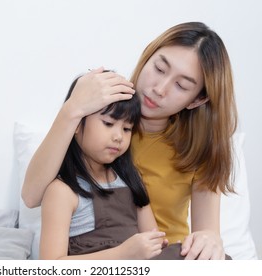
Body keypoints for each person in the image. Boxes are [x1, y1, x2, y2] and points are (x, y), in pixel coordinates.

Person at [22, 22, 238, 260]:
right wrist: (72, 110)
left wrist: (211, 239)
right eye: (159, 68)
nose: (160, 88)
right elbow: (31, 197)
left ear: (196, 100)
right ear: (147, 56)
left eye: (181, 85)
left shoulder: (198, 149)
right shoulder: (98, 118)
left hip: (165, 256)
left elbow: (205, 233)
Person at [40, 74, 167, 259]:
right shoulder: (62, 191)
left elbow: (154, 243)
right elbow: (50, 265)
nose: (118, 136)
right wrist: (122, 254)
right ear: (76, 124)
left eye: (127, 128)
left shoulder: (131, 180)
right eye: (108, 123)